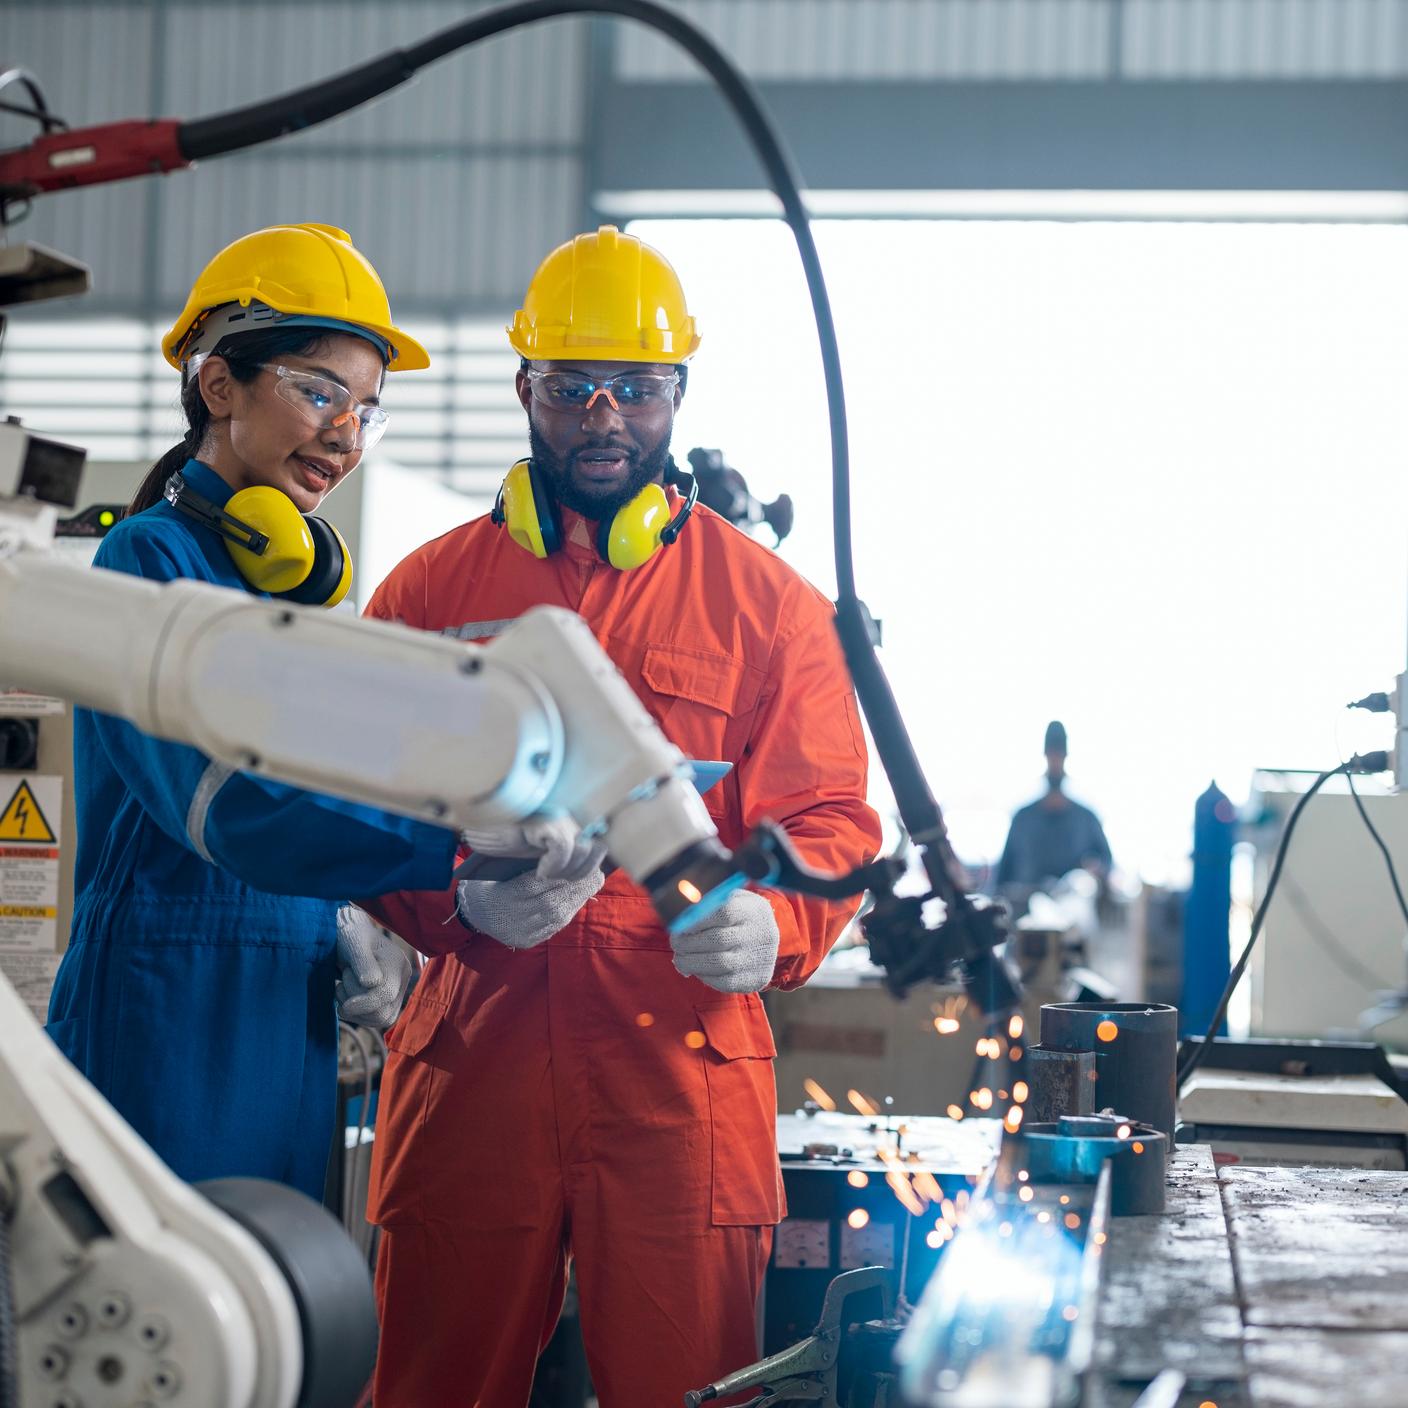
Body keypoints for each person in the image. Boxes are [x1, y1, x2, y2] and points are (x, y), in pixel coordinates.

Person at [359, 225, 882, 1408]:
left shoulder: (771, 609)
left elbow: (835, 818)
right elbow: (358, 812)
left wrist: (779, 921)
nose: (605, 415)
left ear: (678, 392)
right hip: (475, 1050)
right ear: (524, 388)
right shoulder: (428, 592)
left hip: (680, 1065)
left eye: (637, 388)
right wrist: (449, 894)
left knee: (691, 1387)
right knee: (431, 1386)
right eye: (574, 385)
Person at [46, 224, 460, 1201]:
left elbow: (330, 787)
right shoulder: (147, 562)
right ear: (219, 385)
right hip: (161, 1000)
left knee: (275, 1308)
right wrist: (449, 834)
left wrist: (349, 910)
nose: (345, 435)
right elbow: (227, 804)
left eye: (366, 409)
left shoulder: (297, 594)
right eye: (318, 391)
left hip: (284, 999)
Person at [993, 720, 1113, 896]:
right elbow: (1001, 879)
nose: (1055, 760)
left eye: (1059, 754)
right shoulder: (1023, 818)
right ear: (1045, 755)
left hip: (1072, 911)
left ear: (1065, 755)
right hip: (1026, 912)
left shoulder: (1086, 819)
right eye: (1052, 753)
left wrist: (1096, 870)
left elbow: (1106, 864)